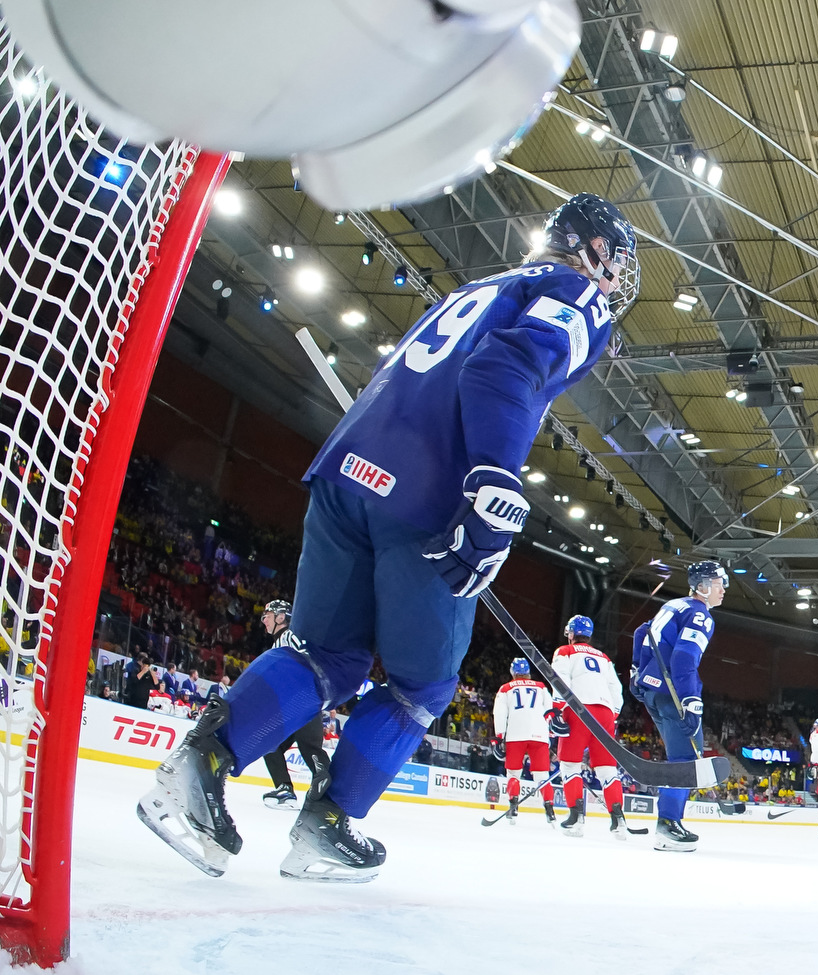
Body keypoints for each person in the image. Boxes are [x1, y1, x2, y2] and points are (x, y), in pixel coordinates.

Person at [136, 193, 634, 883]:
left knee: (324, 657)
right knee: (421, 687)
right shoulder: (575, 293)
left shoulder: (481, 287)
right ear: (592, 249)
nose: (615, 278)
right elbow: (505, 368)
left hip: (348, 471)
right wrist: (493, 480)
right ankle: (329, 824)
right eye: (616, 261)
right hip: (427, 498)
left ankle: (196, 768)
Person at [630, 559, 727, 853]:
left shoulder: (674, 605)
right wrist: (690, 699)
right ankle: (667, 826)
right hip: (672, 693)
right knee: (684, 762)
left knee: (680, 759)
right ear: (703, 586)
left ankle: (671, 822)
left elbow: (641, 632)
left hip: (652, 690)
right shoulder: (700, 614)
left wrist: (637, 671)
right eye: (719, 584)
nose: (723, 589)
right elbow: (684, 658)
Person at [550, 615, 628, 838]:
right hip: (605, 713)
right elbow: (616, 689)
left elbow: (560, 680)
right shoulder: (604, 658)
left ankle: (576, 819)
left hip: (578, 709)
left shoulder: (565, 651)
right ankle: (619, 821)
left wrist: (556, 709)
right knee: (607, 769)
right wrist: (612, 715)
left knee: (570, 766)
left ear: (571, 633)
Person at [254, 600, 330, 811]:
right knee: (271, 746)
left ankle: (331, 798)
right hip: (292, 706)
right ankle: (285, 789)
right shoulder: (278, 643)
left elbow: (310, 660)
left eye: (267, 615)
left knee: (310, 749)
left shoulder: (290, 636)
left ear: (280, 617)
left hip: (304, 701)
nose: (264, 620)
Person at [490, 656, 555, 824]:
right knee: (542, 776)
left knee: (513, 773)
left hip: (515, 734)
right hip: (539, 735)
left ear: (513, 672)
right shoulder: (541, 687)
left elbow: (500, 714)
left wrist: (499, 737)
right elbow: (550, 710)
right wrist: (550, 733)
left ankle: (513, 807)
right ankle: (550, 810)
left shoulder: (505, 688)